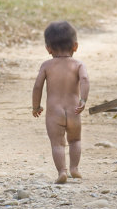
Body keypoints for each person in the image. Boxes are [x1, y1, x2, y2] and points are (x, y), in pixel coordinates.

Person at [32, 21, 89, 183]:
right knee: (75, 140)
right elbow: (84, 79)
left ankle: (62, 172)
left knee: (57, 144)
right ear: (75, 46)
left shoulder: (46, 66)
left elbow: (37, 86)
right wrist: (83, 99)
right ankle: (74, 168)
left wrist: (36, 106)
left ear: (48, 48)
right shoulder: (78, 65)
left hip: (53, 113)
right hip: (74, 110)